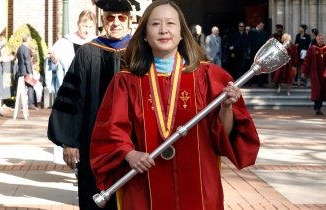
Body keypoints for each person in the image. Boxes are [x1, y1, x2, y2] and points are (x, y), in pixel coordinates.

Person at [90, 1, 260, 210]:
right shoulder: (127, 82)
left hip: (198, 185)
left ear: (181, 33)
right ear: (143, 34)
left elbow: (221, 136)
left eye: (171, 23)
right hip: (145, 184)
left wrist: (226, 108)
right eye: (155, 24)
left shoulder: (208, 77)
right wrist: (129, 154)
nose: (163, 30)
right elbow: (111, 129)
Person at [47, 0, 139, 209]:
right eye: (110, 17)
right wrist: (69, 141)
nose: (116, 22)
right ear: (102, 20)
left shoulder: (140, 52)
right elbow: (72, 97)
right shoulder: (87, 52)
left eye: (121, 17)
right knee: (94, 198)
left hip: (134, 143)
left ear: (130, 20)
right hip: (93, 143)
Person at [45, 10, 97, 95]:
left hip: (92, 88)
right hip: (71, 87)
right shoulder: (64, 43)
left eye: (90, 27)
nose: (87, 30)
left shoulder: (97, 43)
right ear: (78, 23)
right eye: (85, 26)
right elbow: (53, 69)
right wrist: (55, 62)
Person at [301, 34, 326, 115]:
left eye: (322, 39)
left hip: (324, 74)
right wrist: (304, 72)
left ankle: (318, 108)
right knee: (317, 90)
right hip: (315, 74)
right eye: (319, 39)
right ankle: (317, 108)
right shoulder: (312, 49)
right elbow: (307, 60)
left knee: (323, 91)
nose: (321, 40)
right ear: (316, 40)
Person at [15, 34, 38, 110]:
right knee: (31, 86)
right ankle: (30, 103)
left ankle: (21, 103)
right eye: (29, 40)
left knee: (22, 88)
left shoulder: (19, 48)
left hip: (20, 70)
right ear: (27, 40)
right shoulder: (26, 49)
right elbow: (27, 62)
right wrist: (30, 72)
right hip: (26, 71)